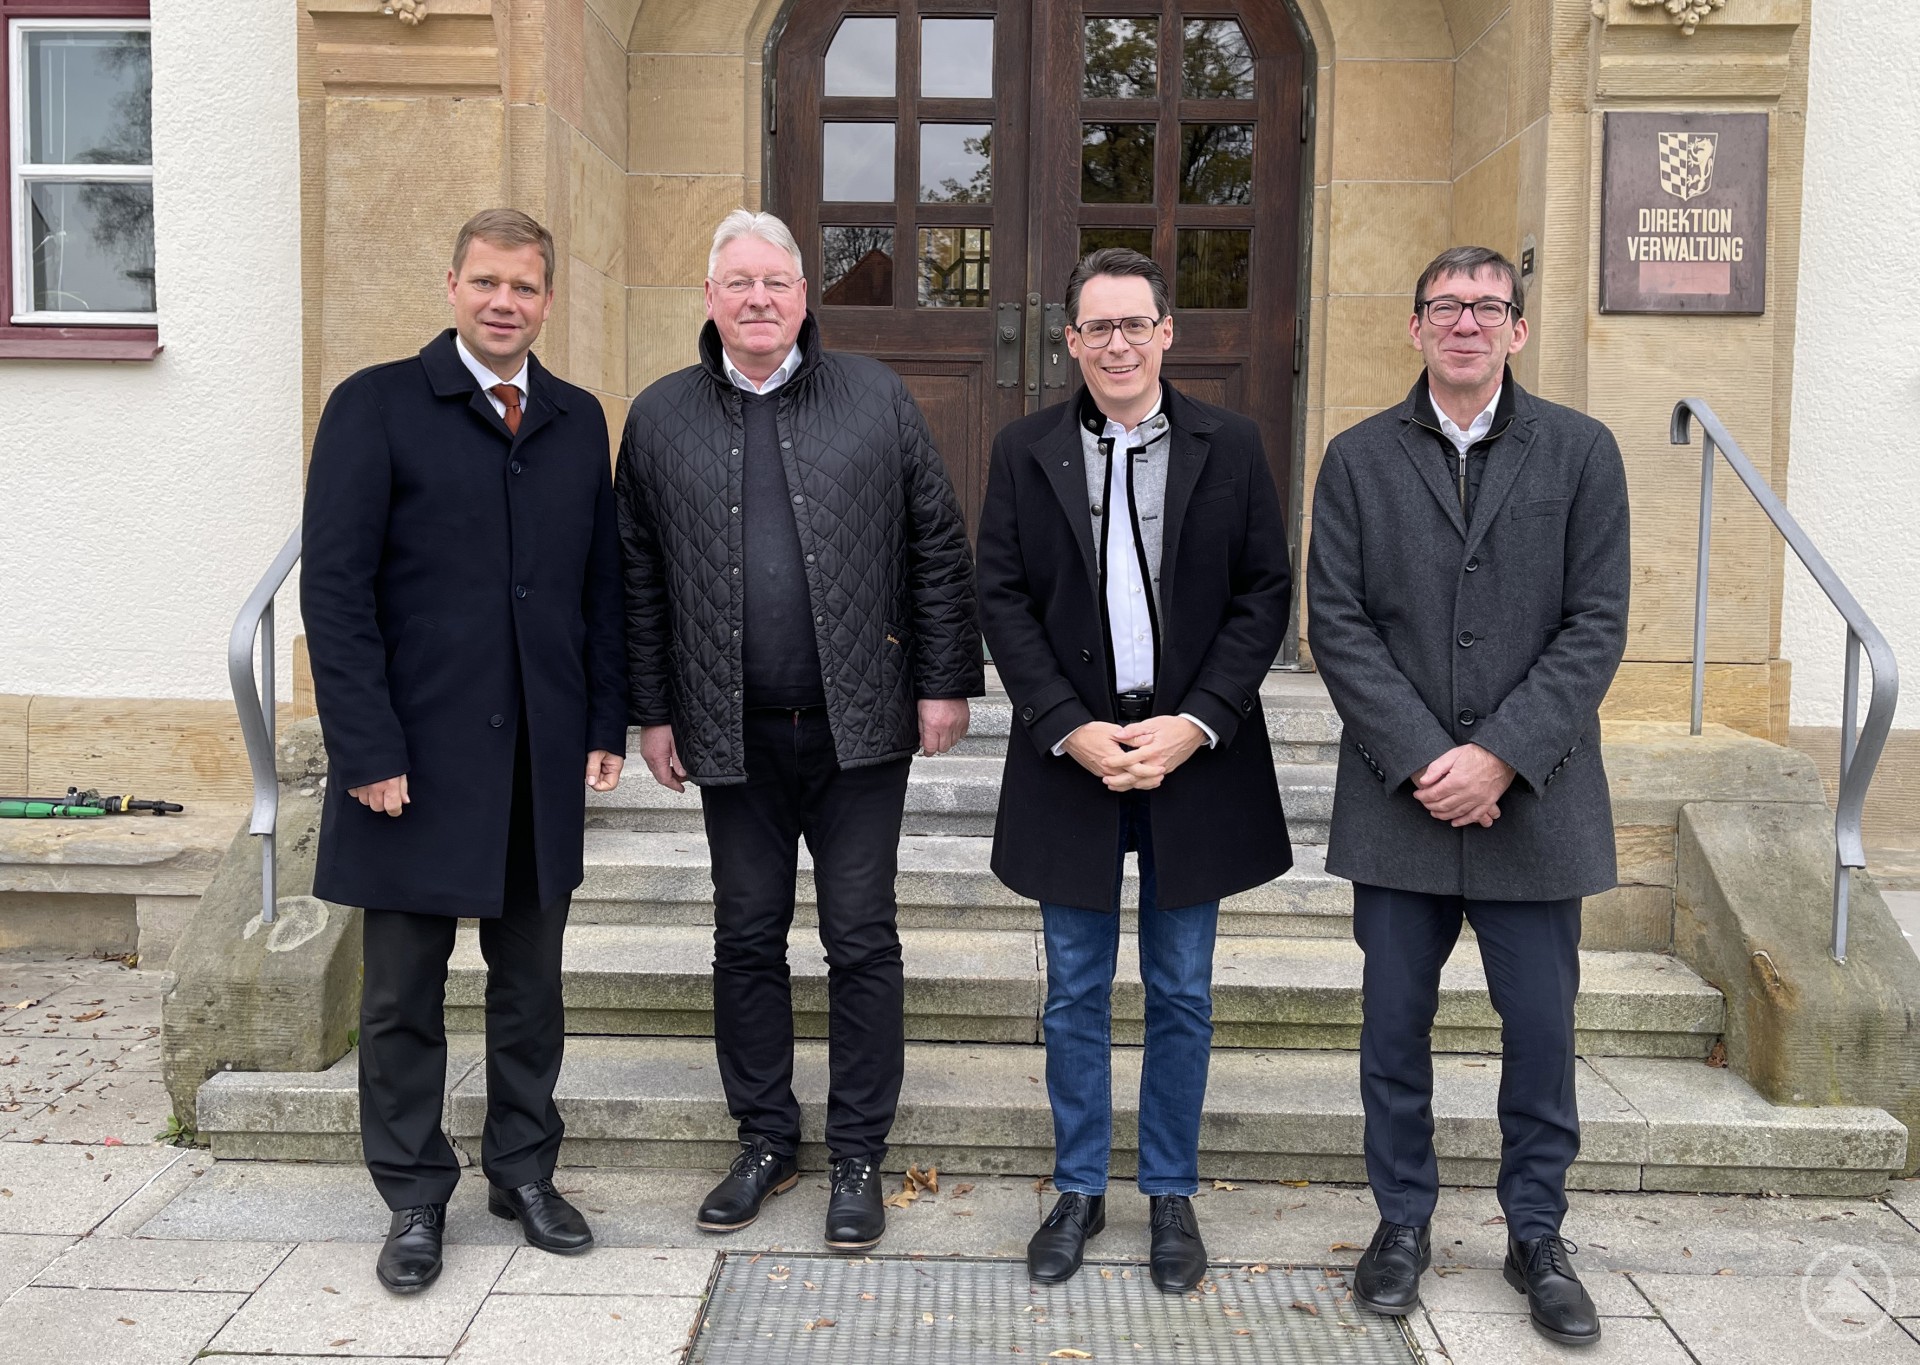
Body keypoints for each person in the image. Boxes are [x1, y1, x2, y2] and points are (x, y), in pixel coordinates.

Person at [614, 209, 982, 1252]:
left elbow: (935, 542)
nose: (760, 299)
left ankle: (858, 1150)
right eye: (739, 283)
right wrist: (651, 709)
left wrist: (945, 680)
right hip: (730, 731)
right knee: (746, 938)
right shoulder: (660, 417)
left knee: (861, 939)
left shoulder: (876, 398)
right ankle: (767, 1138)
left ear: (805, 296)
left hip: (859, 730)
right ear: (709, 298)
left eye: (777, 282)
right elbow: (637, 577)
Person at [1306, 245, 1630, 1347]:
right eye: (1445, 306)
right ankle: (1401, 1223)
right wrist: (1425, 760)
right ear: (1413, 328)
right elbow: (1337, 626)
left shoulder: (1583, 453)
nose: (1466, 323)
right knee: (1392, 1032)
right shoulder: (1354, 459)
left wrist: (1497, 756)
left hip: (1539, 805)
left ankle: (1537, 1233)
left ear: (1518, 330)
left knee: (1540, 1035)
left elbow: (1596, 625)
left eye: (1488, 306)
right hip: (1398, 807)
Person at [301, 209, 628, 1293]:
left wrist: (601, 723)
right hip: (410, 762)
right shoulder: (375, 405)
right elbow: (335, 592)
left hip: (539, 754)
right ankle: (411, 1196)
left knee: (530, 986)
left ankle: (524, 1171)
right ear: (451, 287)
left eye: (524, 287)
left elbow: (600, 589)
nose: (504, 302)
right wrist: (366, 748)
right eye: (485, 282)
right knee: (403, 994)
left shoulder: (579, 420)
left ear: (546, 300)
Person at [975, 248, 1294, 1292]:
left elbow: (1262, 594)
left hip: (1190, 758)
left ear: (1167, 334)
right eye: (1095, 327)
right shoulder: (1025, 450)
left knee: (1180, 990)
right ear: (1070, 340)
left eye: (1133, 324)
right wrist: (1065, 725)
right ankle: (1078, 1186)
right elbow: (1003, 599)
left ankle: (1170, 1192)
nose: (1116, 343)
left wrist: (1198, 722)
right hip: (1074, 755)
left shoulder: (1232, 445)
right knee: (1072, 990)